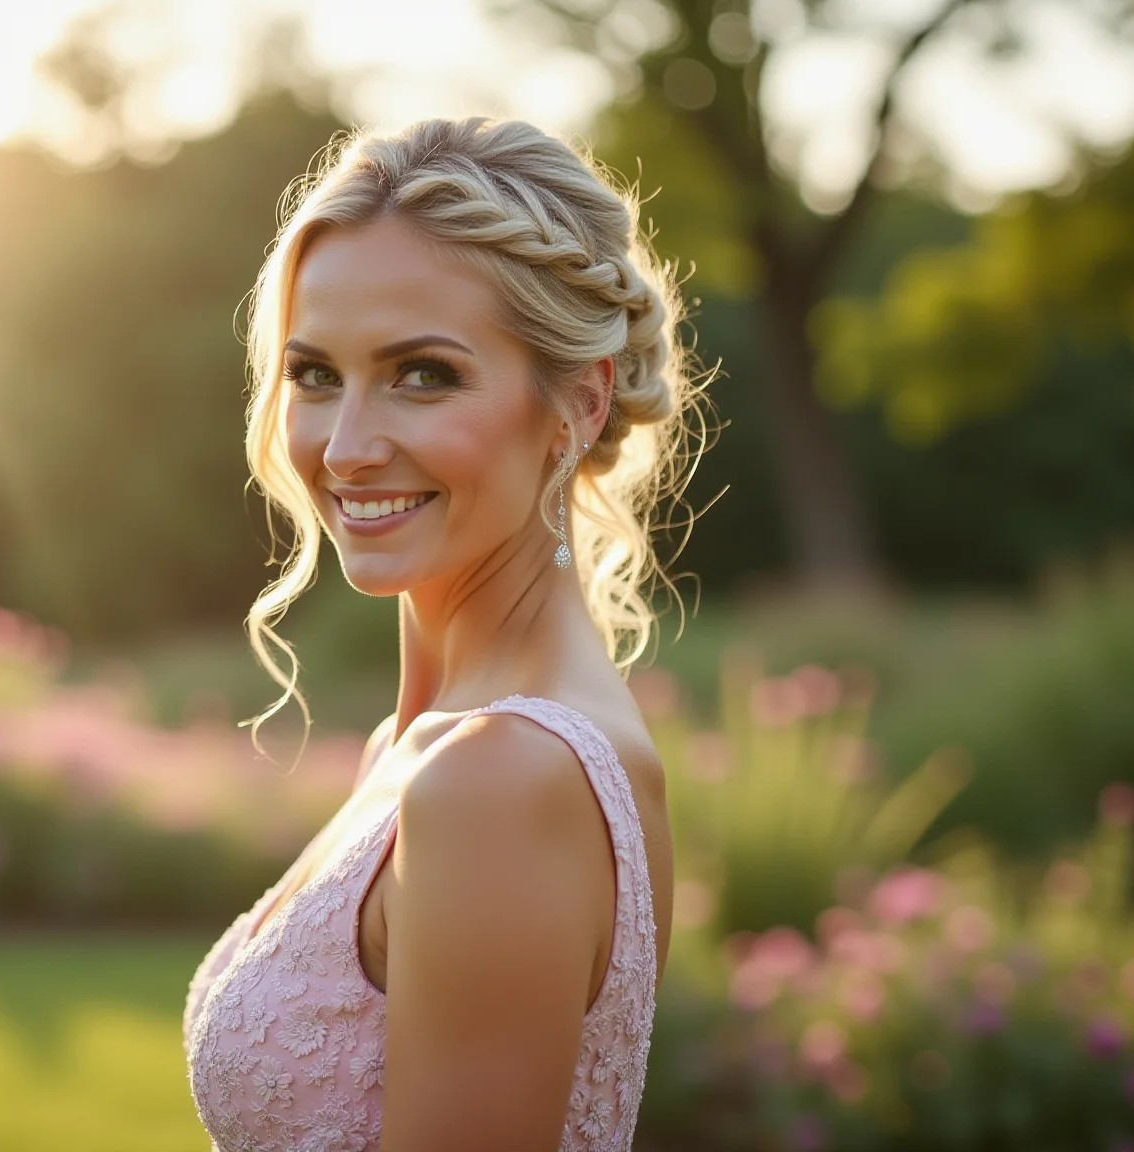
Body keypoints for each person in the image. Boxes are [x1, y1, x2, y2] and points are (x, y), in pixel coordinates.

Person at [181, 115, 708, 1151]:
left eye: (422, 374)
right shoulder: (429, 746)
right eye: (314, 374)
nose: (345, 446)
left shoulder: (502, 779)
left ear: (577, 403)